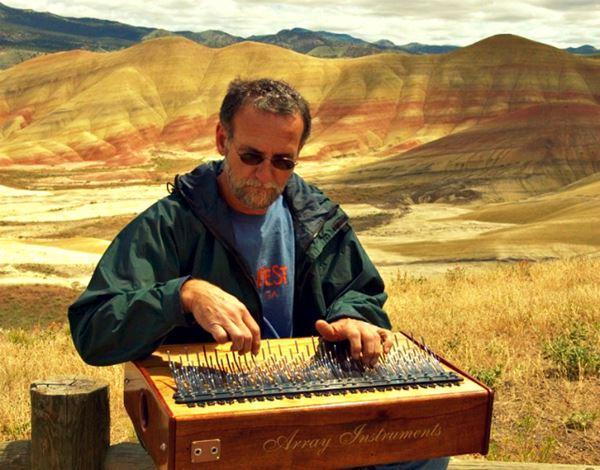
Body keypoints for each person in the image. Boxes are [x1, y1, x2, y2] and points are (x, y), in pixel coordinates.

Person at [68, 78, 448, 470]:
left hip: (309, 402)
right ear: (222, 139)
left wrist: (353, 319)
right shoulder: (170, 225)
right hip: (216, 408)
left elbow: (359, 292)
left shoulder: (317, 217)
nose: (266, 175)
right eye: (251, 156)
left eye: (283, 162)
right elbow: (93, 328)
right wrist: (183, 295)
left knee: (427, 449)